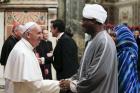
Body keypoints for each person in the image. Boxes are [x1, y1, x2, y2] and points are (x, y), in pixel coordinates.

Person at [60, 4, 118, 93]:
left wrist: (71, 85)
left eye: (84, 20)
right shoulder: (92, 40)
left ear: (94, 21)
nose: (82, 24)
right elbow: (83, 70)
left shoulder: (104, 41)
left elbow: (96, 75)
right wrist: (70, 80)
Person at [4, 22, 60, 93]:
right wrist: (59, 85)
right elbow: (35, 85)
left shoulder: (24, 47)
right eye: (39, 33)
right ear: (28, 35)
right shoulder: (23, 52)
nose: (41, 36)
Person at [114, 24, 140, 93]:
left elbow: (124, 81)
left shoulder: (124, 54)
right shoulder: (133, 47)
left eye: (115, 35)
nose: (114, 38)